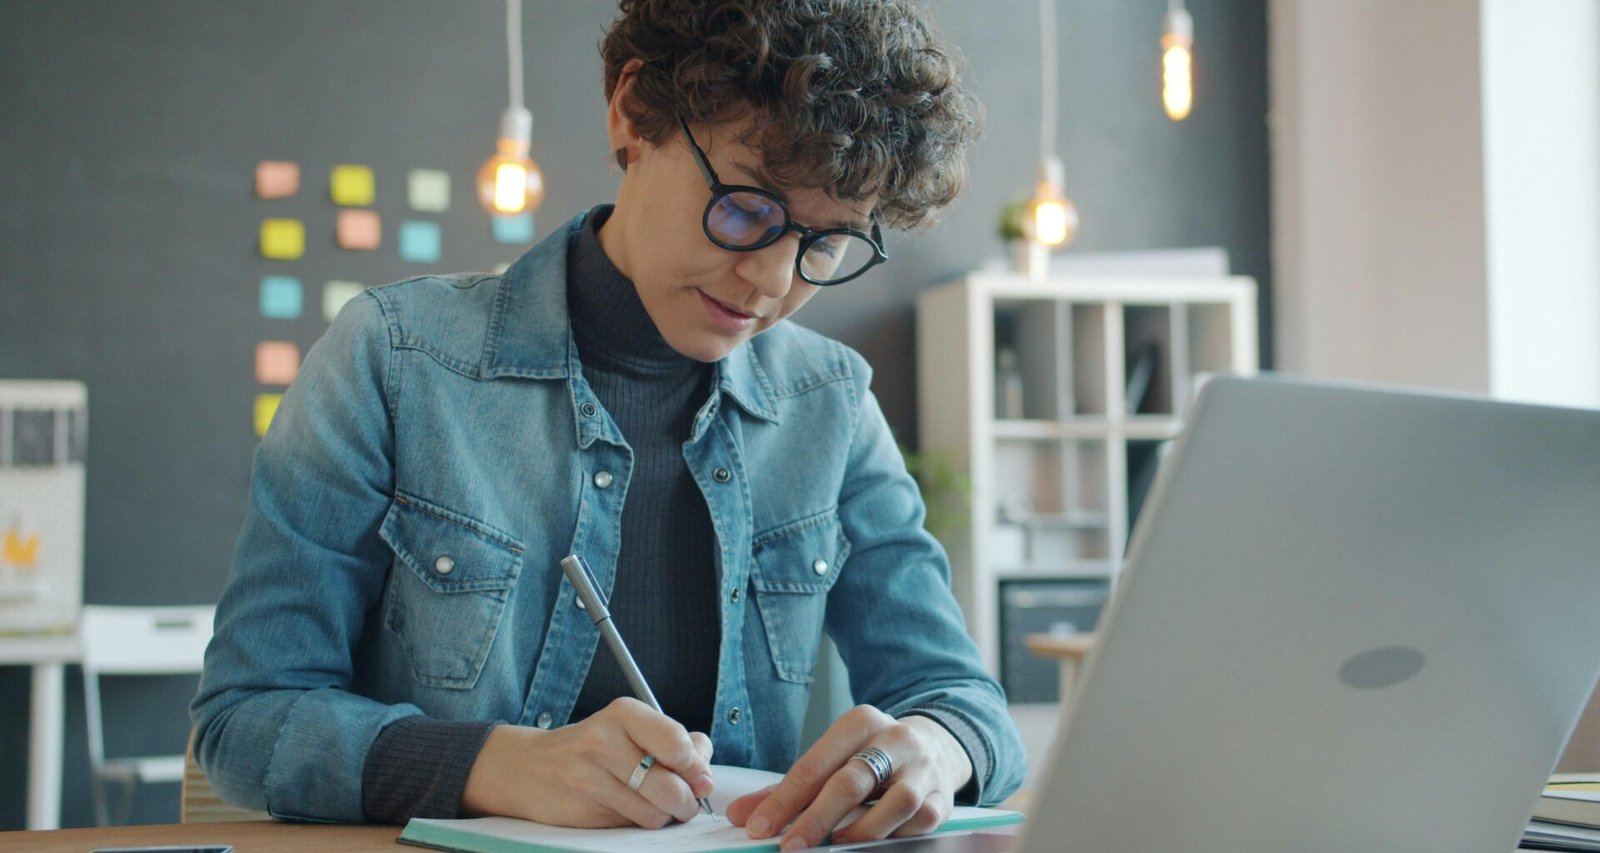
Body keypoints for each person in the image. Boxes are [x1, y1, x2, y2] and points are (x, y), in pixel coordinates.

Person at [191, 0, 1025, 849]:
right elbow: (246, 717)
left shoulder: (831, 402)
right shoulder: (395, 360)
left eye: (827, 242)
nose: (773, 279)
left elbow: (965, 705)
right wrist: (495, 765)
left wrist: (933, 748)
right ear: (633, 114)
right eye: (745, 207)